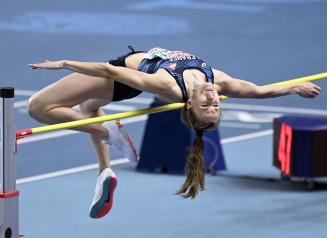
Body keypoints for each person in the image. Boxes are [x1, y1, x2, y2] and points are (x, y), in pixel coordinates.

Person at [28, 46, 321, 218]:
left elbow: (111, 72)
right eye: (215, 105)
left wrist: (64, 63)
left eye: (207, 104)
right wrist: (294, 87)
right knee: (89, 107)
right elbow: (259, 91)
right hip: (126, 78)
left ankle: (108, 132)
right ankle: (104, 170)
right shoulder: (218, 82)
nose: (212, 99)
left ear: (189, 104)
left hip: (121, 75)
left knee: (38, 107)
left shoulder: (170, 87)